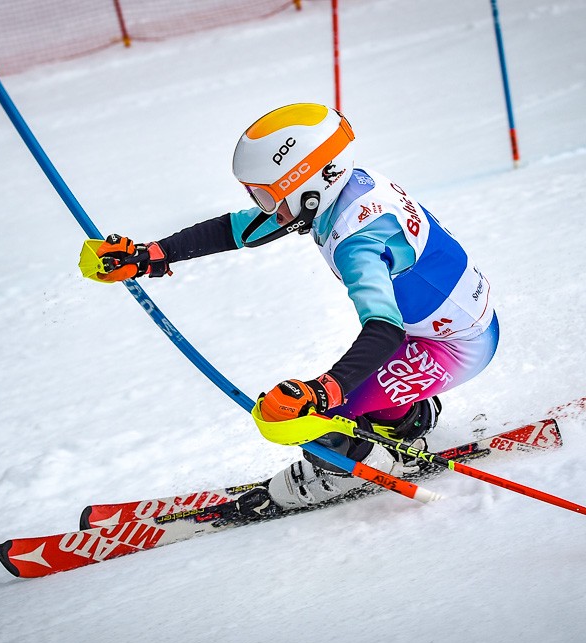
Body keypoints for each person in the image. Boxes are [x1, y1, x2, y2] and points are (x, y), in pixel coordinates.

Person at [87, 103, 498, 509]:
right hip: (434, 327)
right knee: (339, 392)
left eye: (268, 197)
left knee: (309, 417)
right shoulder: (344, 189)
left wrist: (322, 392)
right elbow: (236, 229)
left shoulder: (358, 242)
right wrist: (152, 254)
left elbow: (384, 329)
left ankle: (369, 465)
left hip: (455, 345)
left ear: (312, 186)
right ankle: (403, 421)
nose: (267, 209)